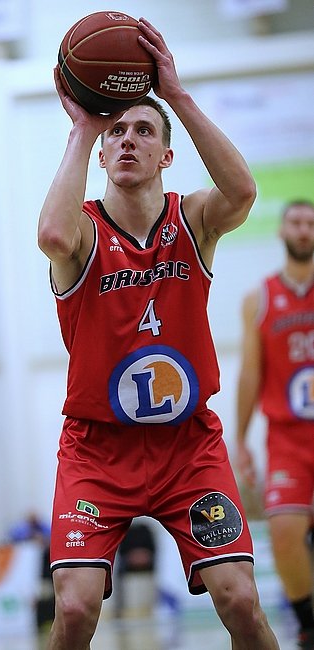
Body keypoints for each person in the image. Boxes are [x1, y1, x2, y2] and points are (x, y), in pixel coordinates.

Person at [38, 16, 279, 650]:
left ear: (166, 155)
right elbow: (52, 237)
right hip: (98, 450)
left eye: (143, 131)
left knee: (242, 602)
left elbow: (242, 191)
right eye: (115, 132)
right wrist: (82, 126)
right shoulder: (83, 230)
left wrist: (174, 94)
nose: (127, 141)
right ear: (101, 152)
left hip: (187, 447)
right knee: (74, 610)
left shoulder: (192, 218)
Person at [235, 199, 314, 650]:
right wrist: (240, 438)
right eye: (295, 223)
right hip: (286, 436)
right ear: (282, 232)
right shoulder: (259, 298)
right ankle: (307, 623)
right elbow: (250, 373)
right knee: (284, 531)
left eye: (310, 224)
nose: (303, 230)